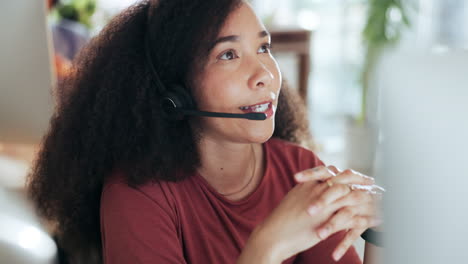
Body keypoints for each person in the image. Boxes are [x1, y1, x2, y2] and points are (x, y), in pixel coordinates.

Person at [27, 0, 384, 263]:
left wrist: (384, 231)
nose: (265, 73)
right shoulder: (136, 194)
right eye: (228, 54)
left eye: (263, 47)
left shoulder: (300, 170)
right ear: (174, 92)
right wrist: (266, 248)